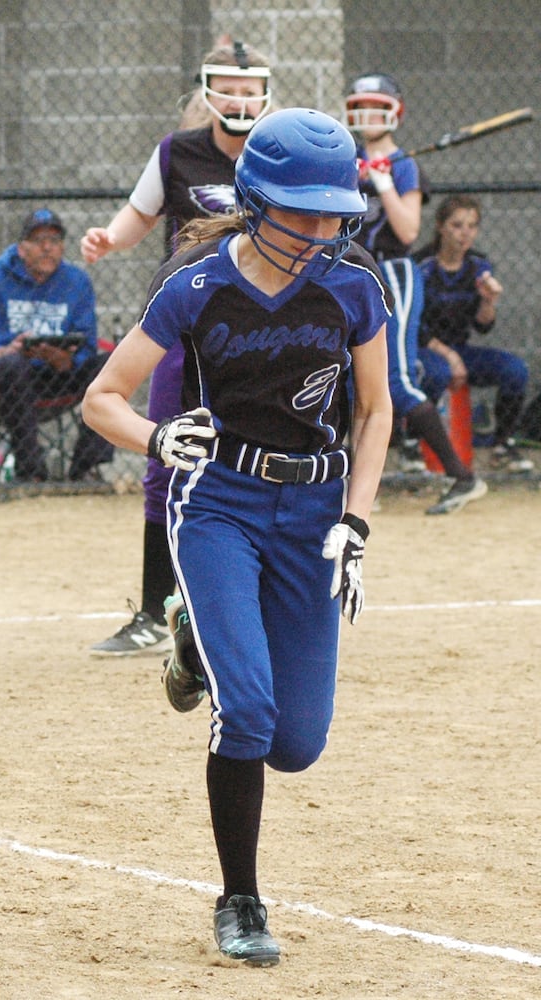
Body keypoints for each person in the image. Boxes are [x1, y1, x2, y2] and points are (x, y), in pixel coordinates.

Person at [83, 108, 392, 966]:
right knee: (247, 711)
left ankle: (193, 643)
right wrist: (156, 439)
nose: (325, 229)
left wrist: (357, 519)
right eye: (305, 212)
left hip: (316, 509)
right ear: (256, 202)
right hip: (218, 498)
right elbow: (102, 397)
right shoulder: (197, 281)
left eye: (336, 212)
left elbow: (374, 411)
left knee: (296, 745)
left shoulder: (354, 280)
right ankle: (241, 901)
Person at [80, 40, 273, 656]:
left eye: (250, 89)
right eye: (229, 88)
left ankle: (262, 604)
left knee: (268, 453)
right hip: (186, 325)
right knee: (165, 455)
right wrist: (109, 239)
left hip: (261, 328)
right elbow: (139, 216)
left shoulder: (278, 151)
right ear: (208, 92)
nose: (240, 99)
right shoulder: (177, 151)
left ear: (265, 94)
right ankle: (156, 616)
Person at [347, 72, 487, 515]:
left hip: (392, 273)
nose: (368, 116)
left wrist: (385, 183)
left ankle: (462, 477)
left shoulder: (406, 165)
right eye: (361, 106)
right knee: (348, 379)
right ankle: (352, 484)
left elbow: (407, 230)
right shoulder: (348, 156)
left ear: (393, 112)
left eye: (377, 106)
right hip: (352, 271)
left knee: (397, 380)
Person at [0, 207, 112, 483]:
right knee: (13, 364)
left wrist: (67, 359)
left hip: (57, 374)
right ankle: (31, 471)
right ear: (22, 248)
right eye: (38, 241)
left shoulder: (77, 282)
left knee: (109, 365)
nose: (47, 248)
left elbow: (87, 340)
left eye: (54, 241)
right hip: (3, 382)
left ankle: (86, 467)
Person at [413, 194, 532, 471]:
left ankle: (503, 446)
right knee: (436, 373)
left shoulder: (479, 265)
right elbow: (412, 324)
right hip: (426, 348)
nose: (464, 233)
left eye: (471, 226)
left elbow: (483, 326)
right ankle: (412, 447)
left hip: (460, 348)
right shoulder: (421, 265)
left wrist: (488, 301)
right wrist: (448, 355)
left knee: (515, 370)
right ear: (441, 227)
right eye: (456, 225)